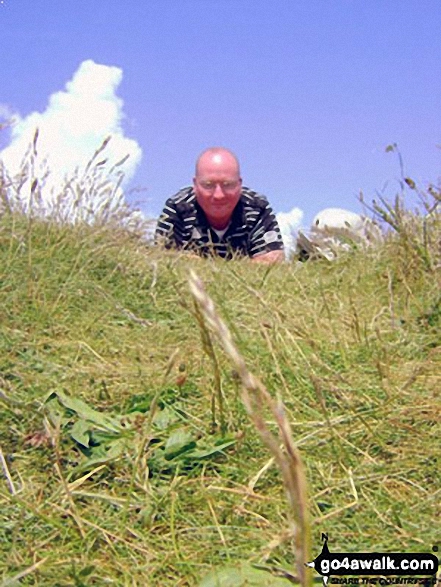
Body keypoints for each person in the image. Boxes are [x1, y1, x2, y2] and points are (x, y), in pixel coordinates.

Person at [155, 147, 285, 264]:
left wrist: (202, 265)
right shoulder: (177, 208)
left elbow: (273, 258)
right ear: (195, 185)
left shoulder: (257, 208)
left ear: (240, 184)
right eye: (208, 185)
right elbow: (163, 258)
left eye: (227, 184)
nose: (218, 195)